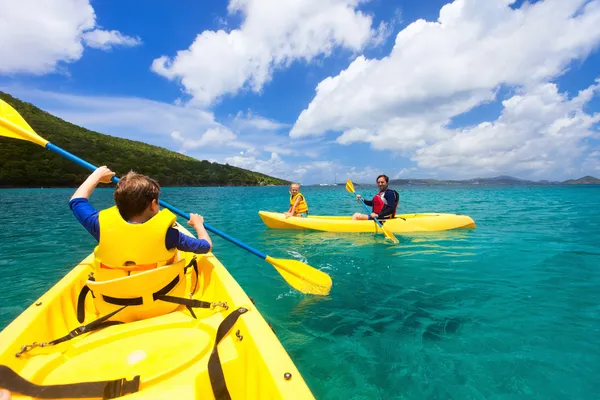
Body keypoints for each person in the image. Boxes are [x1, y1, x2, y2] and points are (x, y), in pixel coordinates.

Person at [69, 166, 212, 279]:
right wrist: (198, 224)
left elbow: (76, 201)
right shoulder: (169, 235)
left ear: (118, 203)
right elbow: (206, 247)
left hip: (111, 302)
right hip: (162, 302)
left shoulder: (99, 226)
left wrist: (97, 175)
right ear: (154, 204)